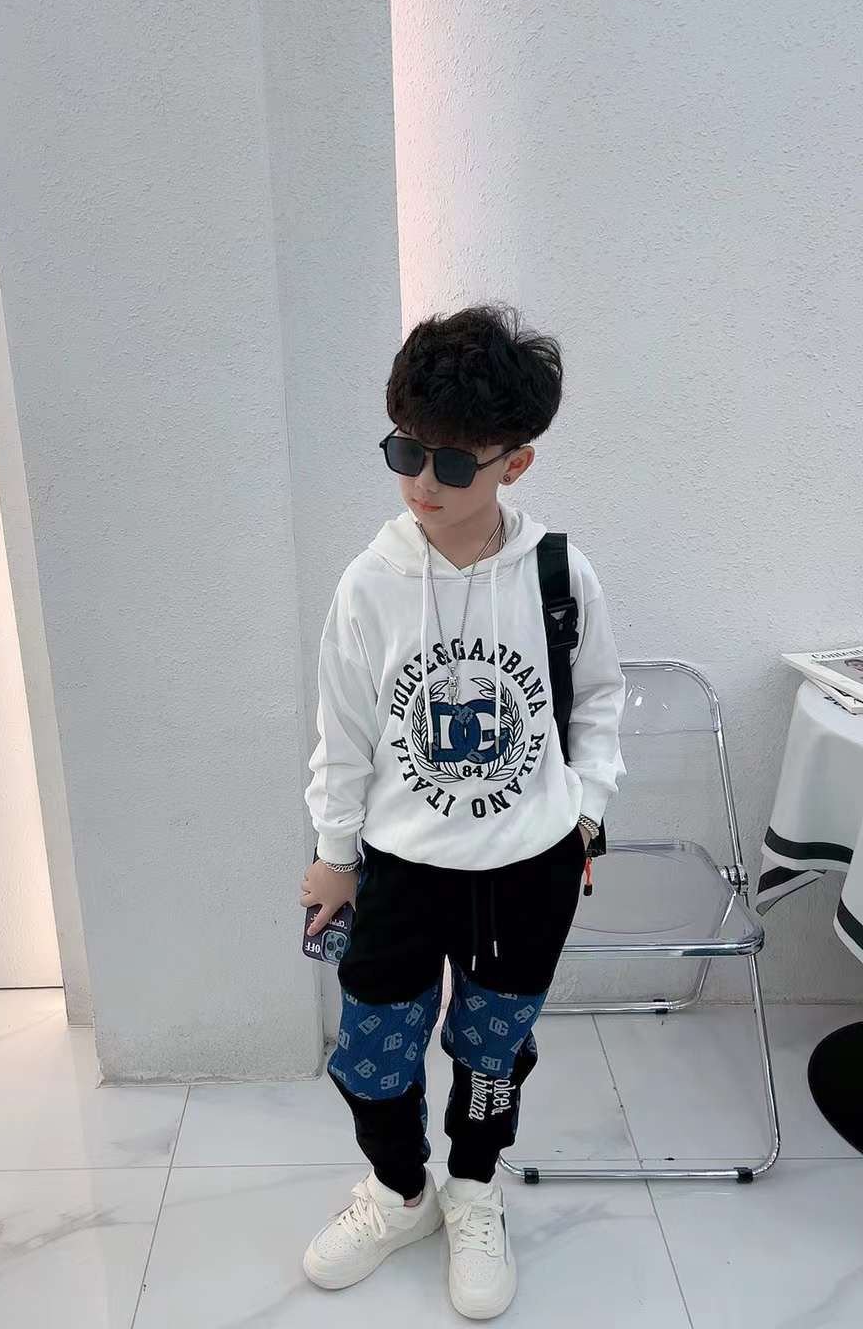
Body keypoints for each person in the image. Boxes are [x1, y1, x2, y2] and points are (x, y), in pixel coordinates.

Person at [298, 303, 626, 1319]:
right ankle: (402, 1191)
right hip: (401, 865)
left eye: (450, 463)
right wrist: (333, 853)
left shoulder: (560, 576)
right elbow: (343, 731)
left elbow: (599, 699)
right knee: (372, 1053)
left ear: (513, 463)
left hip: (529, 867)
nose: (420, 483)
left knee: (492, 1055)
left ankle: (476, 1189)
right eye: (405, 451)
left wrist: (586, 809)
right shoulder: (370, 584)